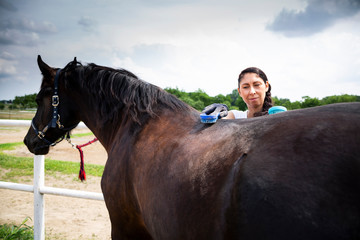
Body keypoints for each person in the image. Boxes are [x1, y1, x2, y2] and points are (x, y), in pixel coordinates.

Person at [202, 67, 273, 119]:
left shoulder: (278, 115)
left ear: (266, 86)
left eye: (257, 85)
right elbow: (223, 120)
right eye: (245, 87)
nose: (252, 92)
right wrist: (218, 114)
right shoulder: (235, 116)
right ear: (239, 92)